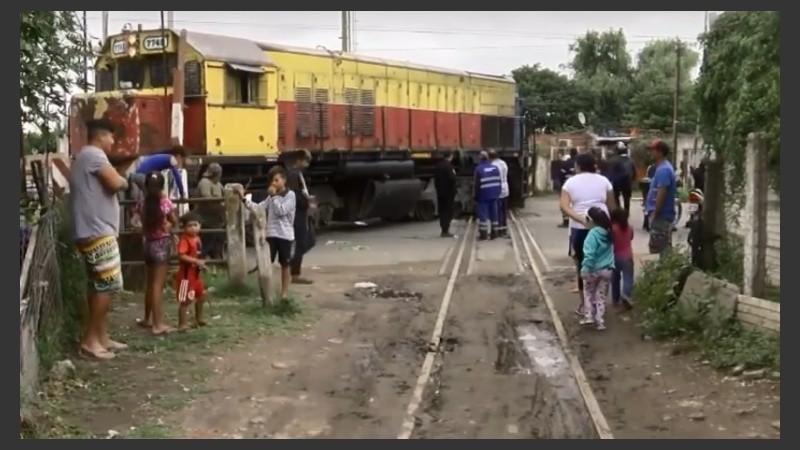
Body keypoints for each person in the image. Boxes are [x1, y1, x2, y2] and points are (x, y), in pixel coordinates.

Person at [69, 118, 130, 360]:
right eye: (111, 137)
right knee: (108, 283)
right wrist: (124, 179)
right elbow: (114, 183)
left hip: (90, 229)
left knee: (98, 284)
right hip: (98, 231)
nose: (113, 142)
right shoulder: (95, 155)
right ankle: (90, 340)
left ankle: (101, 336)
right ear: (101, 136)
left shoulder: (84, 156)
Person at [560, 153, 616, 316]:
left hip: (579, 228)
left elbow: (564, 207)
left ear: (577, 166)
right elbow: (612, 206)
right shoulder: (604, 181)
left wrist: (581, 218)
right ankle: (600, 305)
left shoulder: (570, 182)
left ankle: (585, 305)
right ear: (594, 165)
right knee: (603, 263)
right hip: (603, 227)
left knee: (582, 266)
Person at [238, 167, 297, 300]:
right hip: (271, 234)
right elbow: (259, 208)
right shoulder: (270, 198)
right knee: (266, 263)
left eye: (276, 180)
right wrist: (245, 200)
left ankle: (284, 294)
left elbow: (282, 211)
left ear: (284, 180)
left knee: (285, 264)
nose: (274, 183)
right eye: (272, 181)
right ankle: (266, 292)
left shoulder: (290, 195)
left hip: (285, 235)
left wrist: (274, 196)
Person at [133, 171, 177, 335]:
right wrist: (169, 225)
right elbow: (174, 220)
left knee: (150, 284)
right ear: (162, 186)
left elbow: (135, 221)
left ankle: (147, 318)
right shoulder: (164, 203)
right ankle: (158, 324)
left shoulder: (142, 204)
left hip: (148, 244)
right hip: (161, 246)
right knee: (157, 286)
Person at [579, 207, 615, 331]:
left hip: (593, 270)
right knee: (601, 296)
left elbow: (590, 254)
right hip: (607, 269)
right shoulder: (608, 233)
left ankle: (588, 317)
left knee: (589, 293)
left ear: (592, 220)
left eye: (586, 219)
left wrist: (585, 268)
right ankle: (600, 322)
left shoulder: (592, 234)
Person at [175, 211, 207, 331]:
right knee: (185, 301)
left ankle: (199, 319)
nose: (193, 228)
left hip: (196, 275)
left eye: (195, 225)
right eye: (189, 225)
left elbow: (198, 255)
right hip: (186, 276)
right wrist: (195, 261)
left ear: (200, 226)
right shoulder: (185, 240)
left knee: (201, 296)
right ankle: (182, 324)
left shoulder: (197, 238)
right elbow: (181, 255)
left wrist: (201, 265)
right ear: (184, 227)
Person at [644, 140, 677, 256]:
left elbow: (661, 193)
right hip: (661, 215)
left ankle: (667, 267)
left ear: (660, 153)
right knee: (663, 248)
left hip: (661, 216)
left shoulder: (663, 170)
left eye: (653, 150)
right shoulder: (662, 168)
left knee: (660, 250)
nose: (651, 153)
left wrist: (655, 214)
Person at [287, 150, 315, 284]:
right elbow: (295, 195)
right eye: (305, 161)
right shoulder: (293, 175)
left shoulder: (298, 174)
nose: (307, 164)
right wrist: (307, 202)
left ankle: (292, 266)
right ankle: (294, 272)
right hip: (298, 212)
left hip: (302, 211)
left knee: (309, 240)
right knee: (302, 242)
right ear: (298, 160)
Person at [196, 163, 225, 259]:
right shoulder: (205, 182)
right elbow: (207, 198)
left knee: (218, 248)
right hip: (206, 220)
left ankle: (217, 263)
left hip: (217, 221)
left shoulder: (218, 184)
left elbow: (224, 194)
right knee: (204, 248)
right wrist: (220, 205)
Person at [473, 151, 501, 240]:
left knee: (483, 215)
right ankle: (495, 233)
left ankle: (483, 235)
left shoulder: (478, 169)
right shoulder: (495, 168)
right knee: (494, 214)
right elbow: (499, 182)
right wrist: (498, 193)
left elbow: (476, 185)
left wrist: (475, 196)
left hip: (483, 196)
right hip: (494, 195)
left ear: (480, 158)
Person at [610, 208, 634, 310]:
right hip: (628, 257)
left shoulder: (612, 229)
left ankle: (615, 299)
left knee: (615, 278)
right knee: (628, 278)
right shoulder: (629, 228)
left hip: (615, 257)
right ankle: (626, 295)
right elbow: (631, 238)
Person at [434, 150, 458, 238]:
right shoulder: (449, 166)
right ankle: (446, 230)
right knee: (448, 211)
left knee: (442, 211)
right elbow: (452, 179)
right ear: (450, 156)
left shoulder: (438, 166)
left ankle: (443, 229)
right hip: (448, 193)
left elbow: (435, 179)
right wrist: (454, 190)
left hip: (440, 192)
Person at [608, 143, 635, 213]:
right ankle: (626, 213)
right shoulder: (630, 160)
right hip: (627, 182)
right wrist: (632, 180)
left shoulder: (613, 160)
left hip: (617, 183)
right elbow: (634, 172)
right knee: (627, 200)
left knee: (616, 197)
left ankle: (619, 212)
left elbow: (611, 172)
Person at [489, 149, 510, 238]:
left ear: (490, 157)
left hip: (497, 189)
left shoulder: (492, 165)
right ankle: (504, 230)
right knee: (504, 210)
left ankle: (498, 230)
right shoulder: (503, 163)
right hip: (505, 188)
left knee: (497, 211)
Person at [558, 148, 578, 228]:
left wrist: (562, 184)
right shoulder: (579, 163)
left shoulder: (565, 163)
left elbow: (561, 175)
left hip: (566, 185)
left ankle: (566, 221)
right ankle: (577, 219)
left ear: (570, 154)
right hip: (578, 186)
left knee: (564, 203)